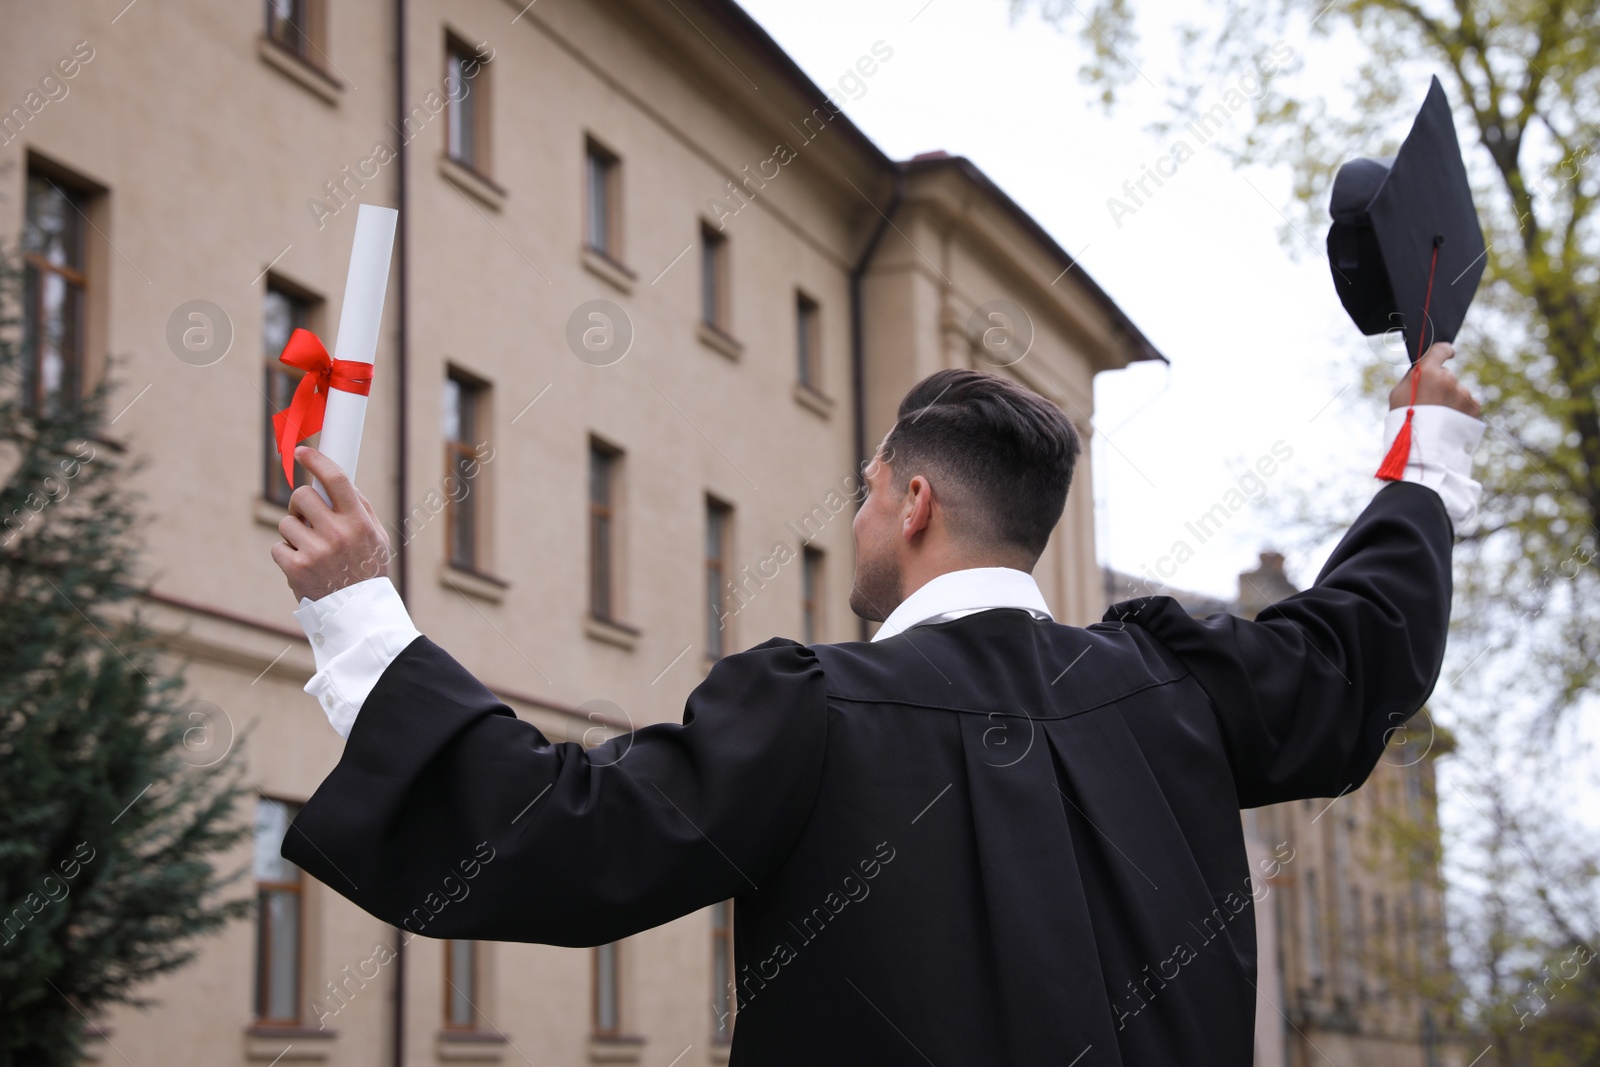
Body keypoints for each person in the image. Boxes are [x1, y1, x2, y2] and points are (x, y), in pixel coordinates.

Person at [271, 346, 1483, 1065]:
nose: (849, 521)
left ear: (910, 502)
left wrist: (356, 605)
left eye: (860, 495)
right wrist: (1425, 446)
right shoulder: (1178, 688)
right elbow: (1359, 646)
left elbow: (558, 829)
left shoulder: (819, 711)